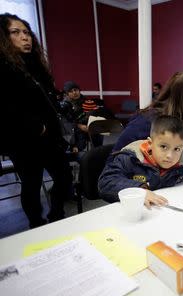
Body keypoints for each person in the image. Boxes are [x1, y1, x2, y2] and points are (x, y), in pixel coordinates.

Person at [0, 13, 72, 227]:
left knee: (64, 178)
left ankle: (56, 215)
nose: (25, 37)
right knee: (32, 185)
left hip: (50, 137)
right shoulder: (3, 69)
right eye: (16, 32)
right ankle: (36, 225)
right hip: (23, 141)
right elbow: (5, 108)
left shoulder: (35, 66)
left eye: (26, 32)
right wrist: (35, 127)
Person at [98, 115, 183, 205]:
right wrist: (139, 190)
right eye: (163, 146)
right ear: (150, 143)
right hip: (135, 211)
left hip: (164, 209)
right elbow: (106, 182)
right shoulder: (131, 159)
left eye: (177, 149)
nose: (170, 156)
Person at [61, 80, 105, 152]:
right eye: (71, 91)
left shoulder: (86, 100)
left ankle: (97, 152)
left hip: (88, 126)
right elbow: (67, 122)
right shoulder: (65, 105)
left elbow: (93, 114)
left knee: (98, 131)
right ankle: (76, 149)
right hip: (75, 129)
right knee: (79, 138)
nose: (74, 92)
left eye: (76, 90)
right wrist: (80, 126)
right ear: (67, 94)